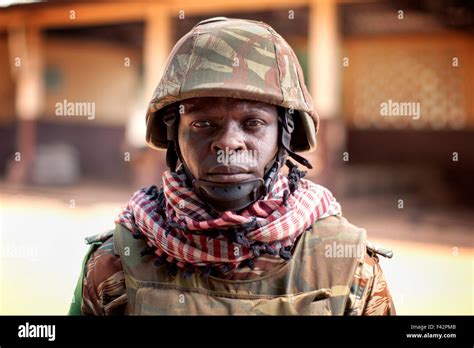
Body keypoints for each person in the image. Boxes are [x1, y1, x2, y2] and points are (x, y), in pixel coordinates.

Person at [68, 17, 395, 316]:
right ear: (173, 135)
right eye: (203, 123)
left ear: (286, 133)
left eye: (253, 122)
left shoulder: (347, 262)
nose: (228, 143)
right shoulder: (116, 259)